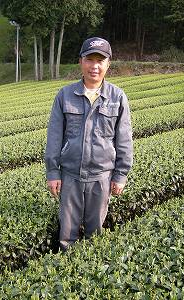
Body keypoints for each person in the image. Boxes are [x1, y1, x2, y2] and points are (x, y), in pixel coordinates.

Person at [45, 37, 133, 251]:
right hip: (70, 176)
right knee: (67, 234)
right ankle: (67, 270)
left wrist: (120, 175)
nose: (95, 66)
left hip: (101, 177)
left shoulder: (117, 97)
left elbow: (124, 139)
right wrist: (53, 173)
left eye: (100, 61)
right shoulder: (65, 95)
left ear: (108, 64)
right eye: (89, 59)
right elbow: (54, 136)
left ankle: (90, 272)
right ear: (81, 62)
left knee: (95, 234)